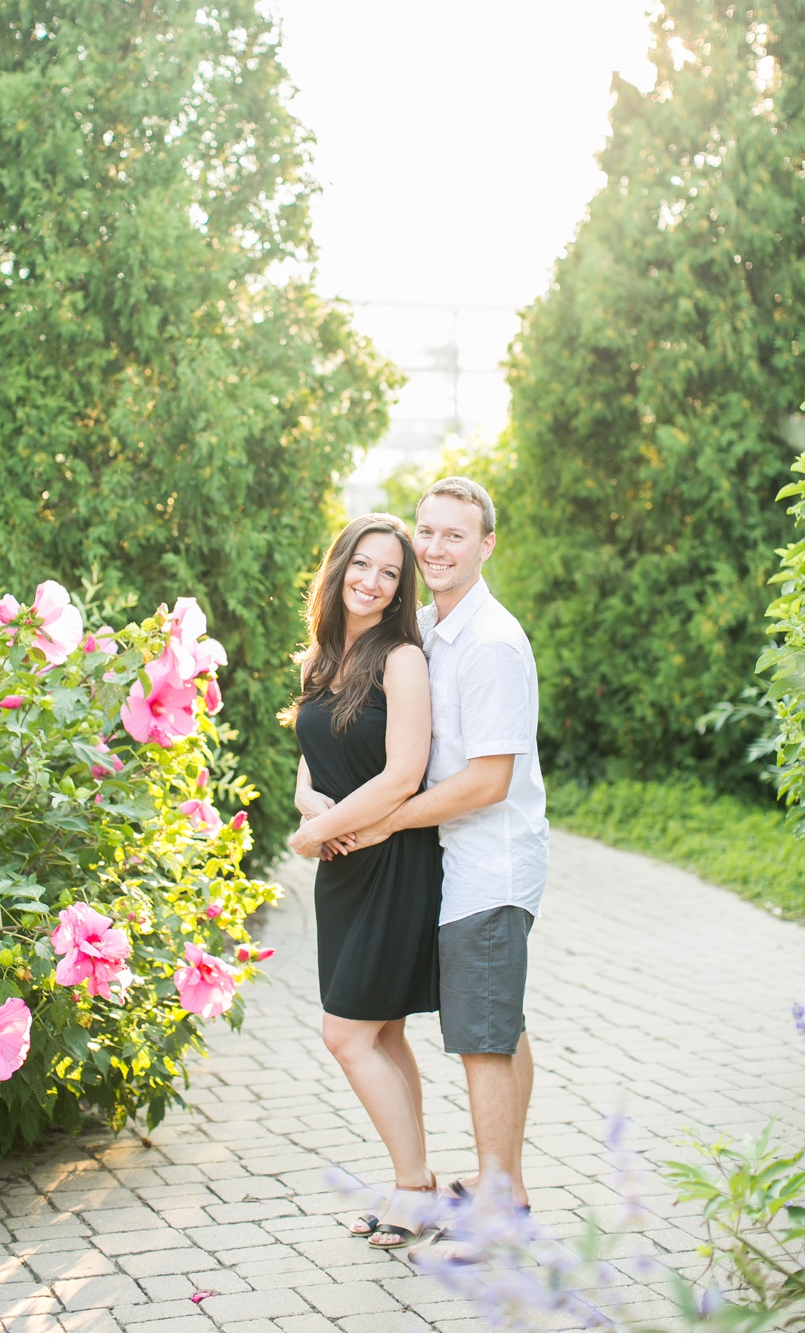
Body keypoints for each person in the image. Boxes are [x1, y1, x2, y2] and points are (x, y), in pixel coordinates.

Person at [315, 476, 549, 1236]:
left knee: (482, 1039)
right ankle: (495, 1183)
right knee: (501, 1027)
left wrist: (386, 824)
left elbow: (489, 778)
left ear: (486, 545)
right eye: (430, 531)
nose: (437, 546)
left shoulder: (490, 642)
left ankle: (500, 1207)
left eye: (457, 533)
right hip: (450, 862)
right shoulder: (428, 626)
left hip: (488, 864)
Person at [283, 513, 443, 1249]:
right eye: (363, 564)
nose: (372, 581)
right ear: (340, 563)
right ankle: (420, 1183)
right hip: (343, 867)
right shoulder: (321, 655)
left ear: (400, 588)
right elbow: (310, 762)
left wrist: (319, 830)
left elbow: (403, 774)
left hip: (390, 860)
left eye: (390, 573)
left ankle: (412, 1189)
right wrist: (310, 807)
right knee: (382, 1031)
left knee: (346, 1034)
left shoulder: (401, 658)